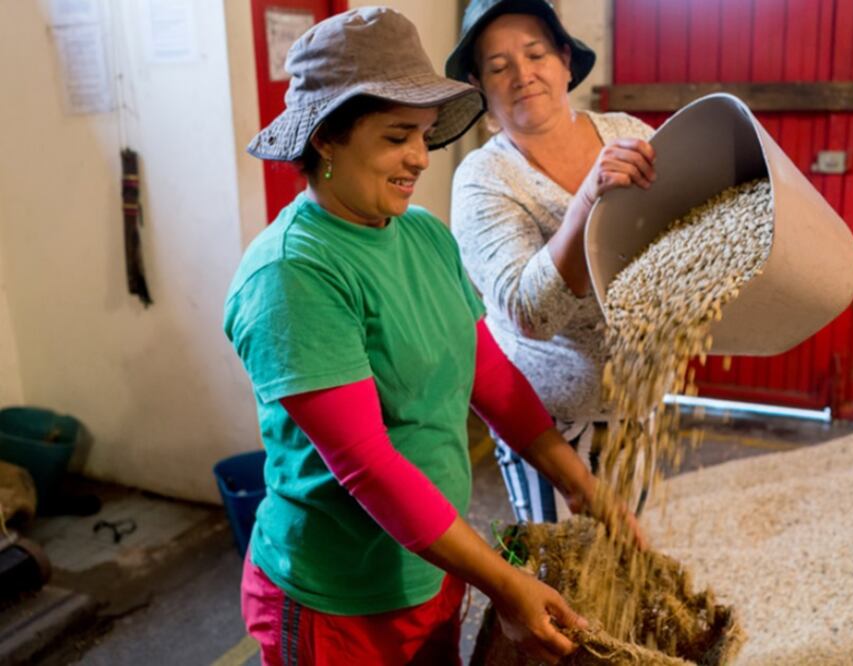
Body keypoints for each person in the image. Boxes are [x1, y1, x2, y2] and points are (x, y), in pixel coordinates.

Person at [224, 8, 638, 664]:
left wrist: (585, 490)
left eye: (421, 135)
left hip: (434, 566)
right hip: (342, 596)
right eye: (396, 138)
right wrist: (504, 583)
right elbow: (368, 464)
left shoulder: (421, 234)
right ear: (326, 139)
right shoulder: (292, 273)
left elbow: (491, 378)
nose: (420, 156)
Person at [446, 0, 657, 523]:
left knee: (625, 565)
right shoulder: (484, 179)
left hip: (636, 406)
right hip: (545, 422)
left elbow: (682, 237)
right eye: (498, 67)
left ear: (565, 60)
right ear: (480, 87)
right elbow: (531, 314)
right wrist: (587, 200)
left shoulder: (627, 134)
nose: (522, 75)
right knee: (555, 579)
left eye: (536, 54)